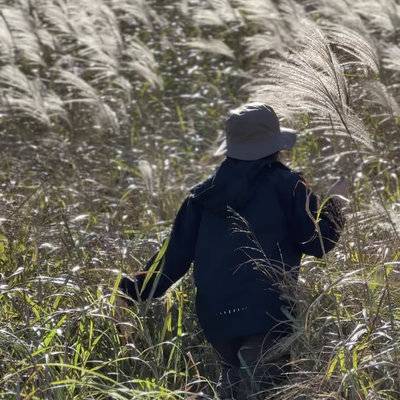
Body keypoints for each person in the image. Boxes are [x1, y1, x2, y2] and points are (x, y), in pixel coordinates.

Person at [118, 103, 348, 399]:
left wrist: (131, 288)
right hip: (269, 315)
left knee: (234, 385)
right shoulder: (289, 186)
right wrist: (336, 205)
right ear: (275, 147)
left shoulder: (201, 196)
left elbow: (171, 261)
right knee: (264, 390)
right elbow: (318, 243)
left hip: (217, 318)